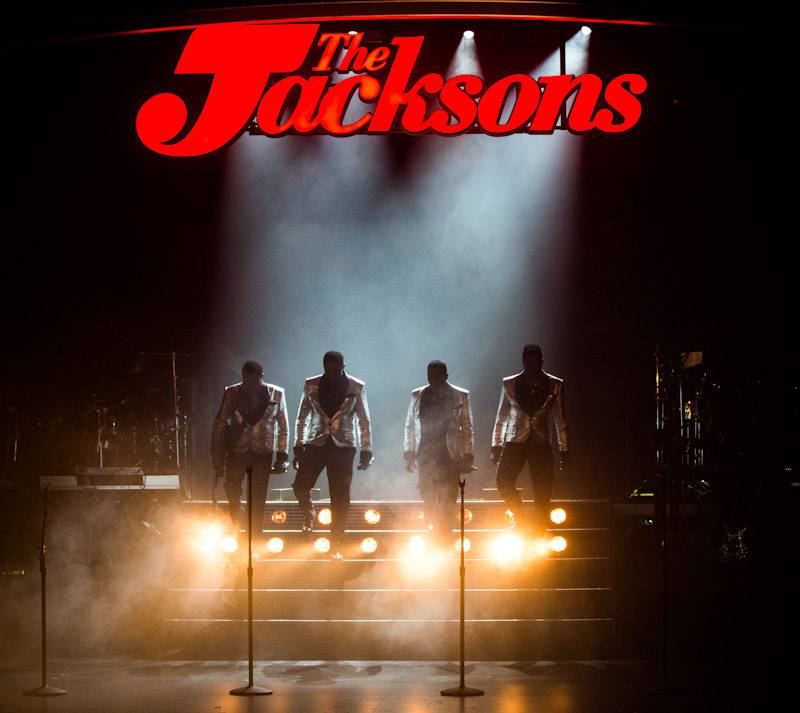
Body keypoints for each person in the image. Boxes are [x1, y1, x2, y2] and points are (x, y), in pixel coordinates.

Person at [292, 351, 373, 552]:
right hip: (316, 443)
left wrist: (366, 449)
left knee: (340, 496)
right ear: (324, 367)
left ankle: (336, 541)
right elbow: (302, 416)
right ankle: (308, 512)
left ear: (343, 367)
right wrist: (298, 444)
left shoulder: (356, 386)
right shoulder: (311, 384)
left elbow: (364, 419)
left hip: (343, 447)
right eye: (329, 369)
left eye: (336, 369)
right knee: (300, 485)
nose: (332, 373)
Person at [491, 344, 569, 536]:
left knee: (543, 490)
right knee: (503, 481)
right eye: (528, 361)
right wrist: (496, 445)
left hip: (541, 443)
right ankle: (523, 519)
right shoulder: (509, 383)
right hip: (515, 441)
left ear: (541, 362)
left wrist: (565, 449)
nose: (532, 366)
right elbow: (501, 416)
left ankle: (539, 531)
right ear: (523, 361)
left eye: (535, 362)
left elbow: (560, 419)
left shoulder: (555, 384)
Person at [211, 360, 289, 535]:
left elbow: (283, 425)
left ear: (262, 377)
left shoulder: (277, 393)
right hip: (237, 448)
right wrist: (216, 449)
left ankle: (256, 535)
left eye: (255, 379)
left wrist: (282, 455)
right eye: (248, 379)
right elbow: (220, 421)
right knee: (230, 488)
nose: (251, 383)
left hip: (263, 450)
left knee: (258, 496)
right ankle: (236, 520)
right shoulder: (231, 392)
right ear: (243, 376)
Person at [404, 360, 474, 539]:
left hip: (449, 454)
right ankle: (432, 535)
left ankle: (444, 538)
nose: (432, 379)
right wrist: (409, 453)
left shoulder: (460, 395)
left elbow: (467, 426)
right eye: (430, 375)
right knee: (427, 497)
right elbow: (410, 425)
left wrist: (468, 455)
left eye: (436, 375)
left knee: (448, 499)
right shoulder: (417, 395)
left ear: (446, 376)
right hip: (425, 452)